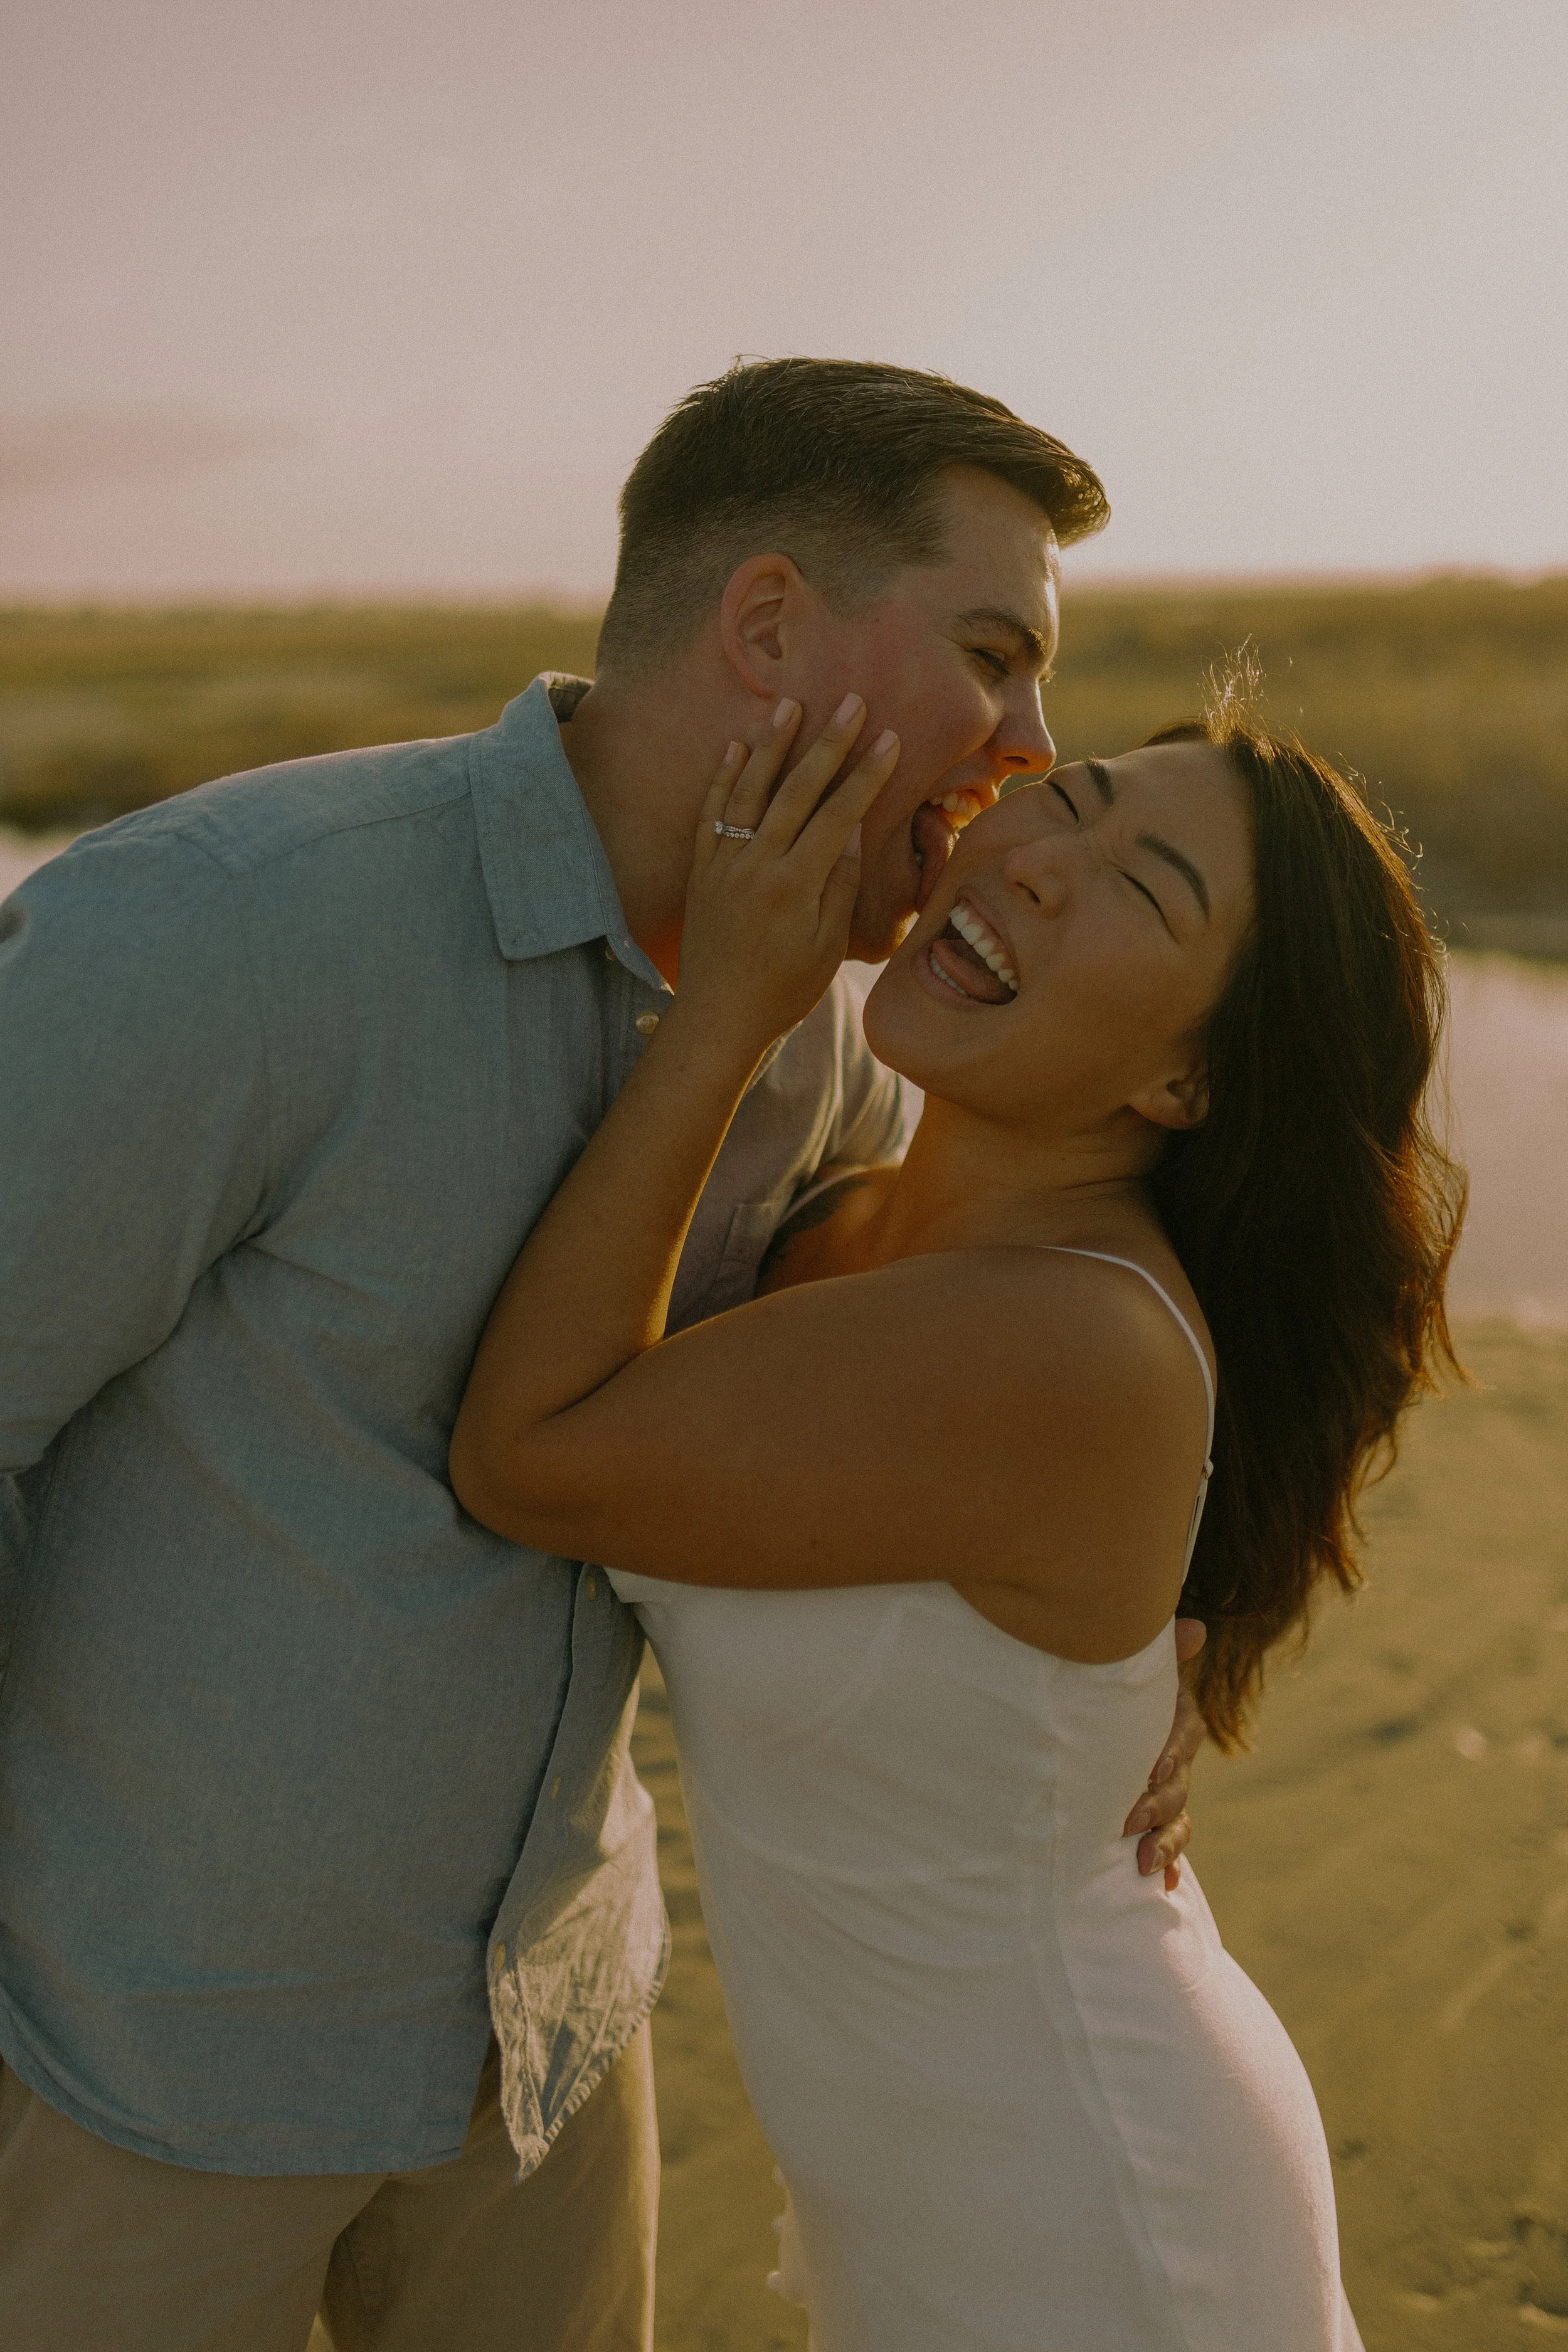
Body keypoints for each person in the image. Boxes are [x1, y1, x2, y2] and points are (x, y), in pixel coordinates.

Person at [0, 360, 1204, 2351]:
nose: (1027, 745)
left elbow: (929, 1372)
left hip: (549, 2054)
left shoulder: (835, 1028)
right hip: (138, 2086)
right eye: (992, 658)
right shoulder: (219, 930)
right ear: (763, 628)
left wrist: (1157, 1641)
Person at [449, 681, 1464, 2349]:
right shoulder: (843, 1212)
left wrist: (724, 1006)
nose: (1049, 860)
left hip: (1085, 2205)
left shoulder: (1072, 1339)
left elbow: (528, 1455)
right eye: (1071, 799)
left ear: (1192, 1079)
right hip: (923, 2184)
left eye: (1144, 887)